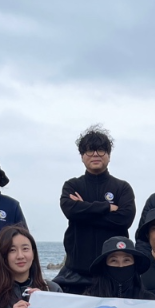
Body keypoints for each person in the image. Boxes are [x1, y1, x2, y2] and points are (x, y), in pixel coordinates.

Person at [54, 126, 137, 294]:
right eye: (90, 150)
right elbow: (71, 211)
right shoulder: (72, 185)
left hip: (113, 273)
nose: (95, 155)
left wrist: (84, 210)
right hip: (76, 273)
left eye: (101, 150)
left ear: (109, 155)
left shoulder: (122, 187)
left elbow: (125, 219)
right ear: (82, 156)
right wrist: (107, 207)